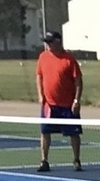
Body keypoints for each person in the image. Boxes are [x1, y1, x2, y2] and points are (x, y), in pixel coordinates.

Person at [35, 31, 83, 172]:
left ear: (58, 42)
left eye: (50, 42)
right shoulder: (43, 57)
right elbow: (39, 76)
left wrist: (76, 101)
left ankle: (76, 160)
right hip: (49, 105)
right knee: (45, 133)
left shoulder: (69, 59)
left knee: (74, 134)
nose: (48, 45)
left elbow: (78, 82)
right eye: (47, 42)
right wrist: (40, 95)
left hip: (67, 106)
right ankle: (44, 161)